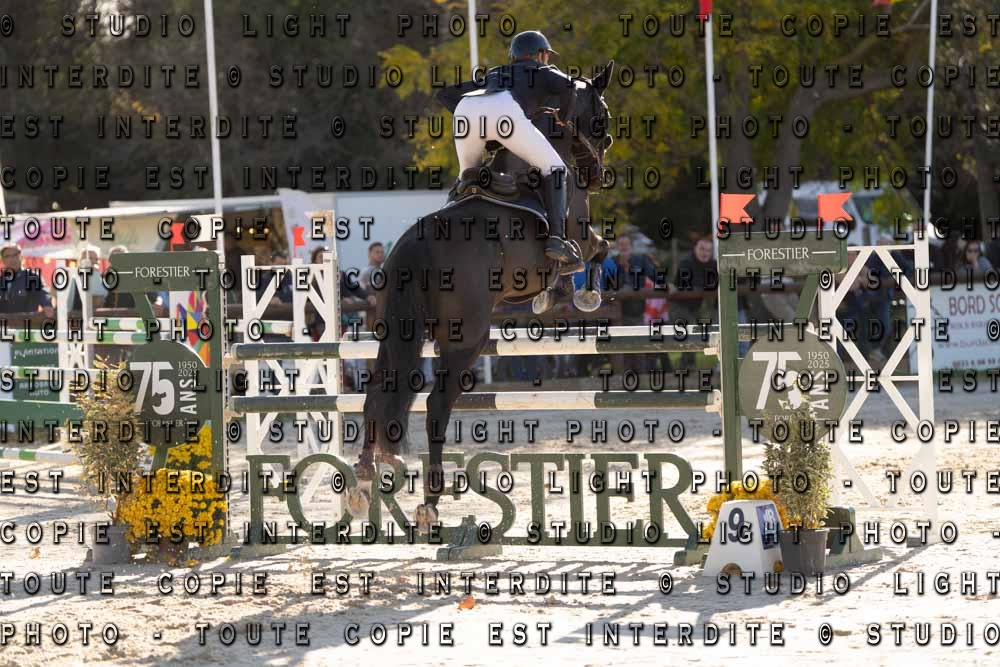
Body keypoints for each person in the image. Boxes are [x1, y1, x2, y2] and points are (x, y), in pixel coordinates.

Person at [435, 30, 581, 268]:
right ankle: (557, 239)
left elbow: (444, 95)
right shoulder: (542, 70)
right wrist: (563, 117)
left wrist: (483, 132)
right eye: (547, 55)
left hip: (466, 108)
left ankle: (442, 220)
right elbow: (570, 85)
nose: (547, 60)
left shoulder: (496, 72)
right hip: (504, 109)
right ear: (539, 54)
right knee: (556, 169)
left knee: (466, 176)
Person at [0, 243, 54, 317]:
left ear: (21, 257)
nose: (12, 259)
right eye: (7, 256)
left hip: (27, 322)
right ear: (3, 260)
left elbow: (42, 294)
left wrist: (47, 305)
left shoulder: (32, 277)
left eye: (15, 255)